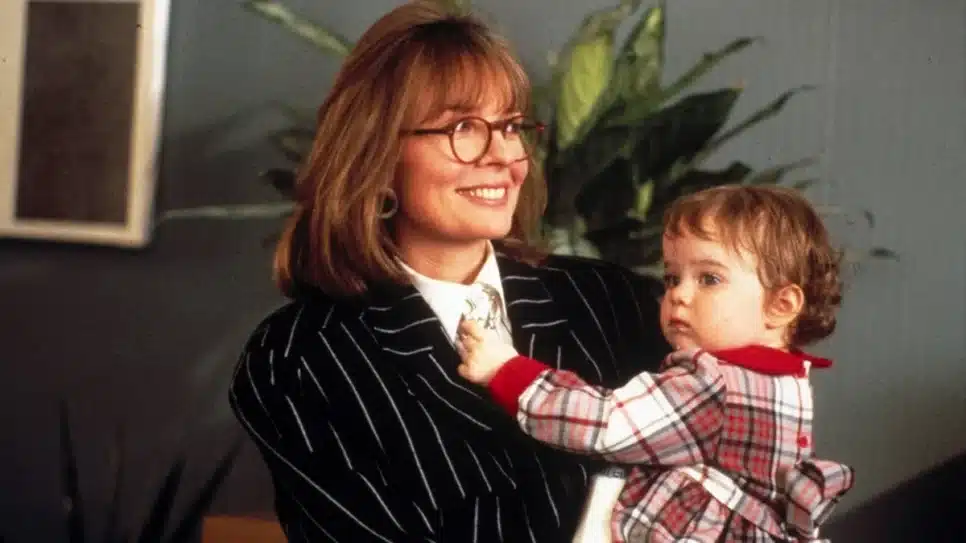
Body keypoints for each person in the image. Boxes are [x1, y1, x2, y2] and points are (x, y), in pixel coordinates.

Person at [228, 2, 670, 541]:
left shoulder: (614, 302)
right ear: (376, 156)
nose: (503, 155)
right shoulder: (301, 358)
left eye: (511, 126)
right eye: (464, 127)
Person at [456, 185, 856, 542]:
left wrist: (509, 372)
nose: (679, 294)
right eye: (672, 278)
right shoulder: (781, 379)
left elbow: (607, 424)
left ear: (780, 305)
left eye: (709, 279)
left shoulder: (715, 384)